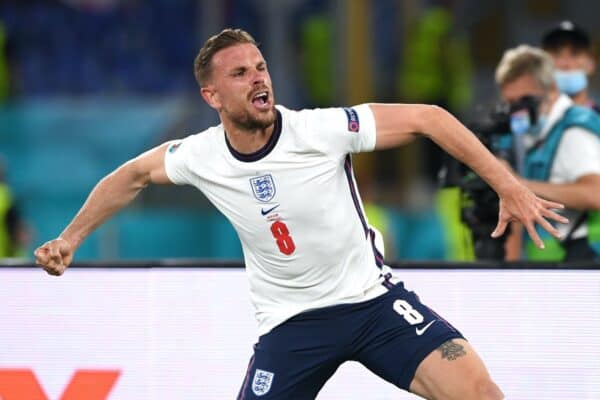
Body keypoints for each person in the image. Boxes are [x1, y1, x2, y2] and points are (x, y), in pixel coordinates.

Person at [35, 29, 566, 399]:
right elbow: (128, 176)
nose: (258, 79)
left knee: (481, 394)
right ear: (211, 95)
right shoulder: (200, 156)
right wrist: (70, 239)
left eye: (261, 67)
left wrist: (508, 186)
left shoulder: (320, 130)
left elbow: (428, 117)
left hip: (372, 305)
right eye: (240, 74)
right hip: (292, 325)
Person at [496, 44, 600, 261]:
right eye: (511, 104)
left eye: (525, 101)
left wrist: (516, 186)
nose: (518, 112)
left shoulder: (574, 131)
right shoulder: (532, 134)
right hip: (558, 265)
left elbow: (595, 194)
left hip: (586, 262)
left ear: (551, 90)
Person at [541, 20, 600, 113]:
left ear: (591, 64)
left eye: (574, 53)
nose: (565, 63)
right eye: (556, 54)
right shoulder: (533, 120)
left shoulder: (597, 117)